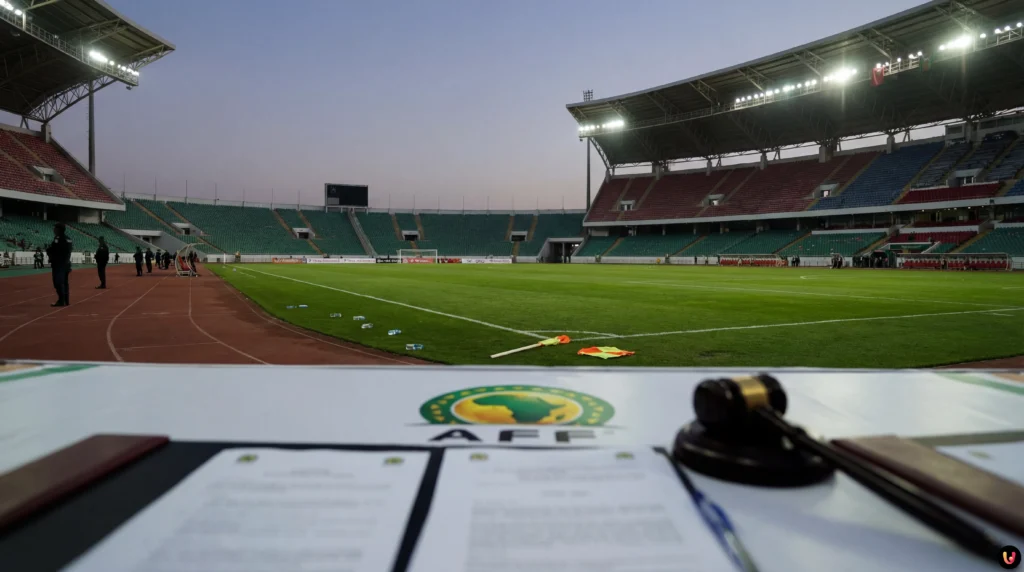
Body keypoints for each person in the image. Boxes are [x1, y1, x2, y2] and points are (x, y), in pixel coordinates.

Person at [45, 222, 72, 307]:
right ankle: (66, 300)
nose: (54, 229)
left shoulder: (58, 239)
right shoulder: (69, 239)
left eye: (55, 228)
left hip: (59, 264)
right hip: (66, 264)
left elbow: (55, 250)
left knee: (58, 282)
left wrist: (49, 251)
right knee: (65, 282)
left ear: (59, 229)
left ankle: (61, 300)